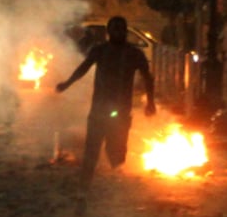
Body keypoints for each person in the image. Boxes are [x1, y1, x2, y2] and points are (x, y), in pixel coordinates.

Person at [55, 15, 156, 188]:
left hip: (122, 110)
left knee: (116, 152)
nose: (117, 32)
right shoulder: (99, 50)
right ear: (109, 32)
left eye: (120, 29)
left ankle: (117, 184)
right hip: (99, 109)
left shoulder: (134, 53)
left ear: (125, 32)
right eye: (114, 29)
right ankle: (84, 187)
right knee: (91, 149)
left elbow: (147, 77)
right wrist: (67, 83)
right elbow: (83, 69)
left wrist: (151, 102)